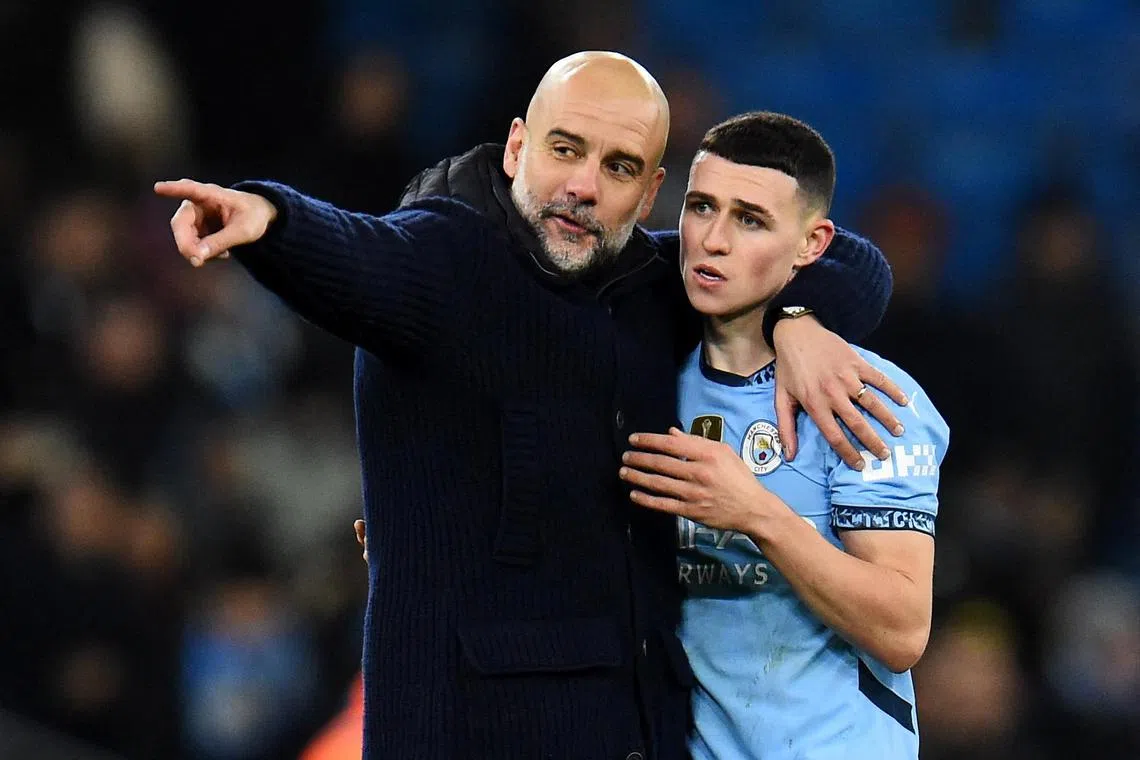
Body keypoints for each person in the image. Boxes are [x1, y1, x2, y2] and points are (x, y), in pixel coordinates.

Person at [155, 52, 905, 759]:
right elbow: (359, 255)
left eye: (618, 168)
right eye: (564, 149)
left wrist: (794, 320)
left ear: (649, 195)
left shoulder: (660, 290)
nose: (583, 185)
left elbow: (855, 269)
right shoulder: (448, 262)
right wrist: (269, 220)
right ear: (517, 148)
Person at [619, 112, 949, 759]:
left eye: (750, 220)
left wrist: (755, 514)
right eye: (701, 207)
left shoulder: (861, 395)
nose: (712, 239)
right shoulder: (647, 384)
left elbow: (903, 627)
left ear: (811, 244)